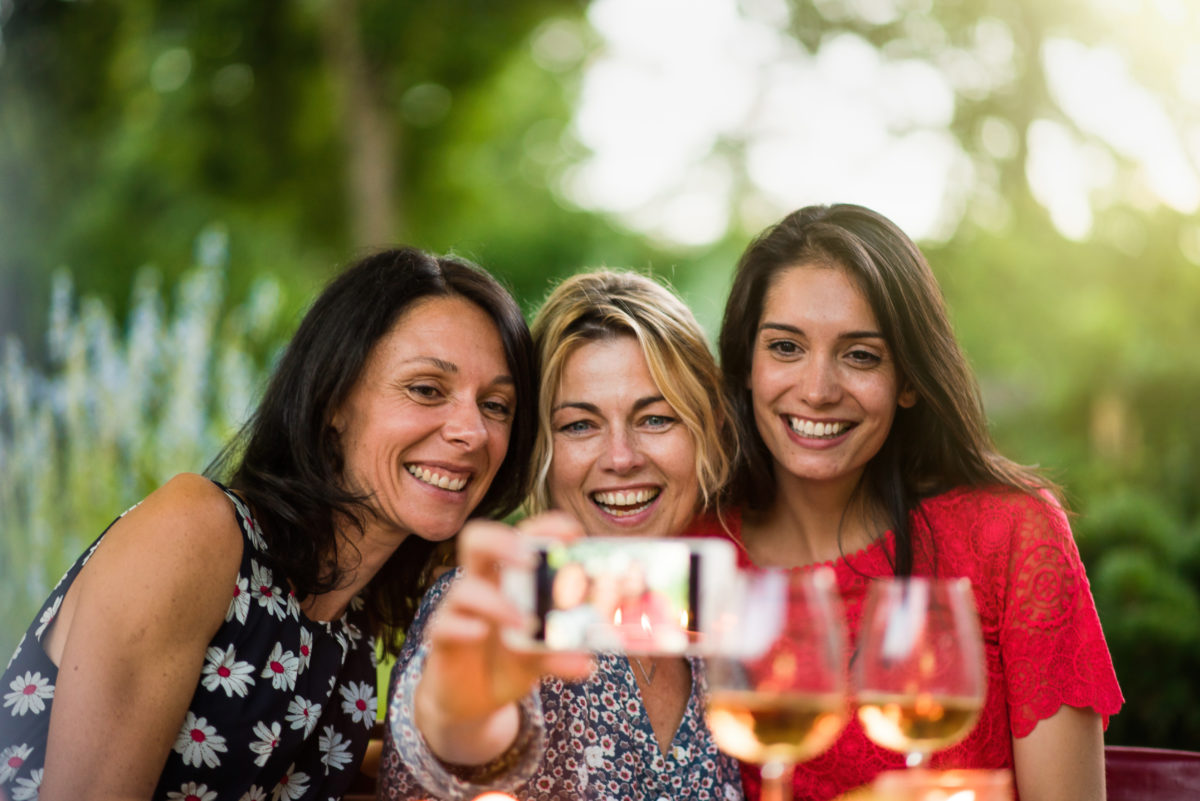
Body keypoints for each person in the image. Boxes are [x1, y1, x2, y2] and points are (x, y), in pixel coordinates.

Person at [0, 247, 537, 801]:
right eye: (426, 389)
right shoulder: (196, 532)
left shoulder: (347, 628)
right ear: (332, 398)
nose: (472, 431)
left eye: (496, 405)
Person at [709, 203, 1123, 801]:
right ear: (746, 365)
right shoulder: (699, 553)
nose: (819, 390)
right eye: (785, 348)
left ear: (909, 381)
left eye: (861, 355)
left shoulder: (1009, 534)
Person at [377, 270, 744, 801]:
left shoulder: (706, 625)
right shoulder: (497, 608)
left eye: (657, 419)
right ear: (538, 452)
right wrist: (459, 711)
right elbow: (463, 731)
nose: (621, 458)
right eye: (579, 425)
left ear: (706, 433)